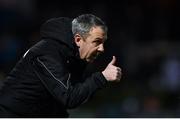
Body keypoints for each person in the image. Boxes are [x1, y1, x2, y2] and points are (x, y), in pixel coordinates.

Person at [0, 14, 122, 117]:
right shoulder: (48, 54)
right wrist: (102, 77)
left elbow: (62, 100)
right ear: (78, 40)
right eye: (97, 42)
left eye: (103, 43)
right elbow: (68, 98)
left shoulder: (73, 55)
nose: (102, 49)